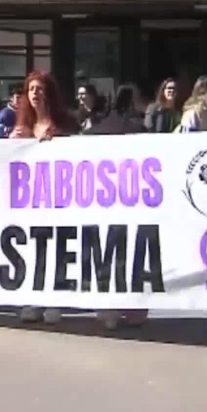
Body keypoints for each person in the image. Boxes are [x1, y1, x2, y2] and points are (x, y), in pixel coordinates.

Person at [10, 71, 77, 325]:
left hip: (58, 194)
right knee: (34, 246)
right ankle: (34, 298)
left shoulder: (65, 124)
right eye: (31, 89)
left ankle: (55, 299)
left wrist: (58, 139)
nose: (35, 93)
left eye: (40, 88)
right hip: (30, 198)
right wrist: (10, 143)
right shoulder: (22, 126)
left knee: (57, 246)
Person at [85, 84, 149, 329]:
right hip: (133, 203)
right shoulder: (140, 132)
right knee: (132, 253)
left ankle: (108, 308)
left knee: (107, 254)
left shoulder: (95, 133)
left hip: (102, 204)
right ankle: (133, 308)